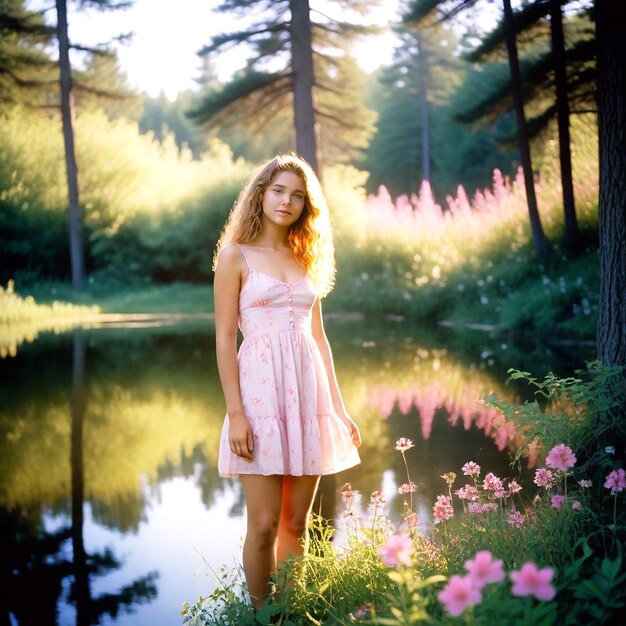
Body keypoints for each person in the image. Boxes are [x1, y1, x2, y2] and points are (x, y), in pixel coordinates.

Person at [213, 153, 361, 610]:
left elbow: (320, 338)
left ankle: (291, 615)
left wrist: (338, 410)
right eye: (279, 190)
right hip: (259, 399)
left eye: (298, 195)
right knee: (262, 524)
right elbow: (222, 339)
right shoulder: (235, 256)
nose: (288, 201)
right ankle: (262, 618)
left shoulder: (305, 257)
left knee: (295, 523)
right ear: (261, 193)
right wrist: (236, 413)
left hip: (307, 397)